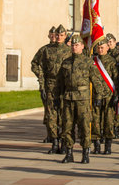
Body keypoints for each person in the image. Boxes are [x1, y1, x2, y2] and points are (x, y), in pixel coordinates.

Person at [57, 34, 103, 164]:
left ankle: (85, 153)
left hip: (82, 99)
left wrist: (98, 96)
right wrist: (57, 97)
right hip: (68, 98)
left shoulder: (88, 62)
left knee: (84, 127)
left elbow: (96, 80)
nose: (74, 47)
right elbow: (60, 82)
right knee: (67, 127)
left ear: (82, 47)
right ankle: (69, 153)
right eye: (72, 45)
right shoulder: (65, 62)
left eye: (77, 45)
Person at [38, 24, 71, 154]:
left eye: (61, 35)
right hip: (51, 85)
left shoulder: (69, 51)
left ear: (65, 36)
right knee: (51, 115)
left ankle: (63, 142)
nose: (58, 37)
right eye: (57, 35)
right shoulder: (46, 50)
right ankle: (55, 142)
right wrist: (42, 82)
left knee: (64, 115)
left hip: (65, 86)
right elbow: (37, 65)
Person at [92, 38, 119, 155]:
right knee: (95, 121)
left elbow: (117, 79)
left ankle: (108, 146)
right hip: (95, 95)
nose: (100, 49)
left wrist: (116, 95)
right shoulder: (93, 61)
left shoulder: (112, 62)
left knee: (108, 121)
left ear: (107, 48)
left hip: (108, 95)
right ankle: (96, 145)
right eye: (98, 47)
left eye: (102, 47)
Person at [31, 26, 56, 142]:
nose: (53, 36)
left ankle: (58, 135)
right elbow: (34, 63)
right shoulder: (44, 50)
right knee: (48, 111)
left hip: (61, 85)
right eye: (51, 34)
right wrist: (40, 75)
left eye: (55, 34)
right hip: (47, 84)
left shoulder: (66, 49)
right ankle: (50, 134)